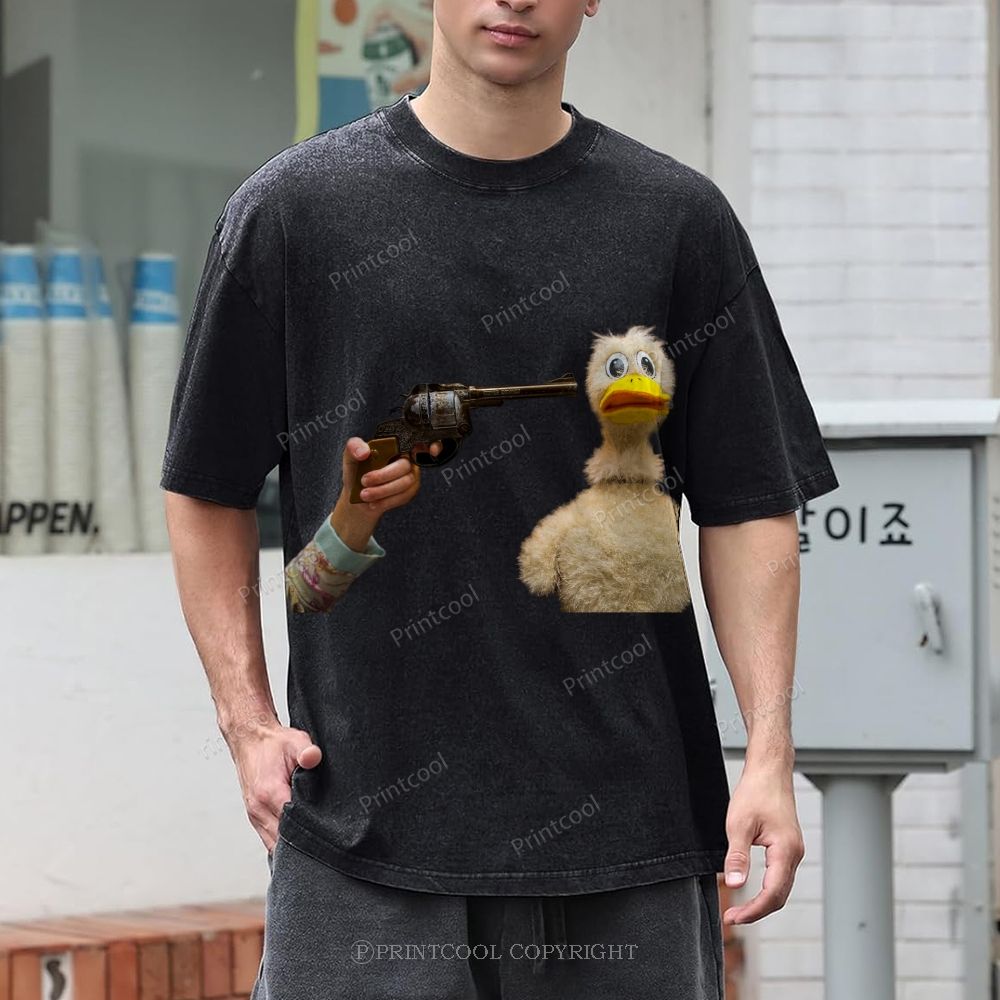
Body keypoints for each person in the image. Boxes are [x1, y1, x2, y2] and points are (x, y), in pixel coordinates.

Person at [161, 1, 840, 997]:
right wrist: (245, 720)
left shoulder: (677, 221)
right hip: (362, 835)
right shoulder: (295, 212)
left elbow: (748, 506)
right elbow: (204, 486)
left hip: (632, 838)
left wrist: (769, 753)